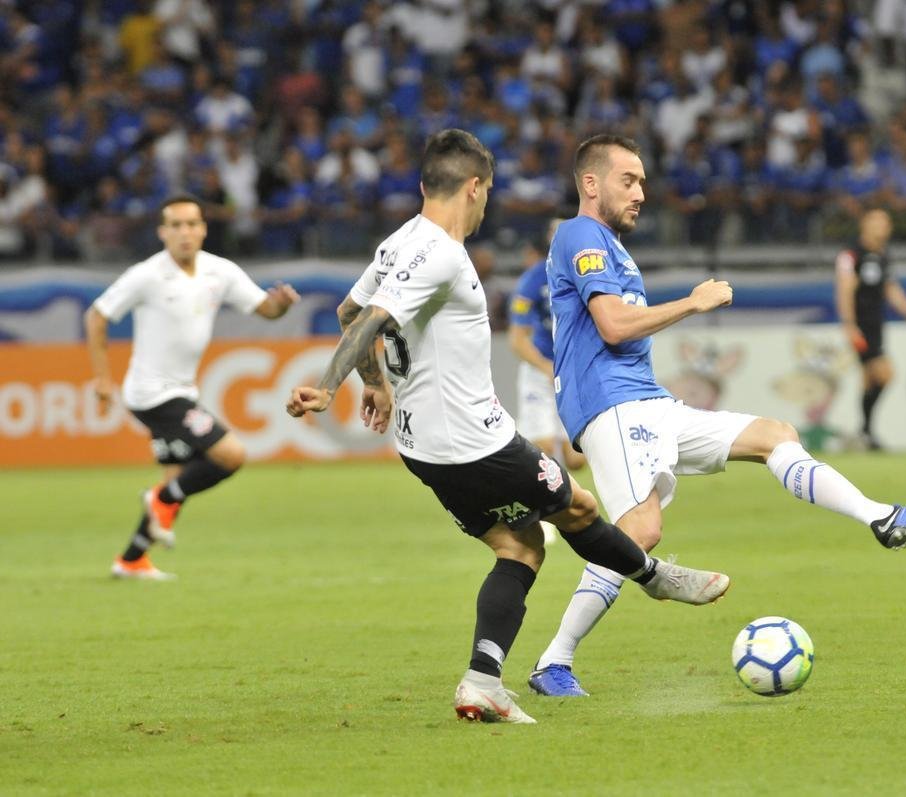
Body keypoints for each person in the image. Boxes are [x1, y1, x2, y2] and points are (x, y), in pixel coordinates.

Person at [285, 129, 729, 725]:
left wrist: (376, 384)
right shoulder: (440, 253)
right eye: (488, 192)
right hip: (475, 441)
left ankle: (482, 682)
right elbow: (371, 318)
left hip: (421, 447)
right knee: (578, 507)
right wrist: (331, 384)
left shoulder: (398, 243)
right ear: (475, 188)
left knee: (519, 546)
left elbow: (348, 310)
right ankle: (654, 576)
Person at [527, 134, 906, 698]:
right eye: (627, 181)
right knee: (641, 532)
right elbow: (612, 325)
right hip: (612, 404)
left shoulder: (609, 244)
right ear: (590, 183)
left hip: (646, 401)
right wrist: (693, 302)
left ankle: (881, 517)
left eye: (643, 182)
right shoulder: (581, 234)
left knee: (774, 435)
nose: (641, 193)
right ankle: (554, 662)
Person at [85, 195, 299, 581]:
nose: (184, 232)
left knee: (177, 479)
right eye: (176, 225)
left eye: (192, 224)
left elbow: (266, 310)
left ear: (203, 229)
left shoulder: (220, 271)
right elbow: (96, 316)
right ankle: (159, 500)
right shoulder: (147, 275)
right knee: (230, 455)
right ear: (162, 232)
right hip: (153, 394)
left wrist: (281, 304)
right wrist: (102, 378)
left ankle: (131, 560)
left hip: (183, 390)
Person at [835, 209, 906, 450]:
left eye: (886, 223)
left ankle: (864, 435)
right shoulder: (851, 254)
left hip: (876, 325)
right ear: (865, 224)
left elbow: (891, 289)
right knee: (885, 374)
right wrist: (849, 325)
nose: (884, 227)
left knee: (869, 380)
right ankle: (865, 432)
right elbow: (845, 288)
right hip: (861, 327)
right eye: (878, 222)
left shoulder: (883, 255)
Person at [507, 218, 586, 473]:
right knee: (544, 450)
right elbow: (517, 339)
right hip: (541, 371)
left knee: (576, 460)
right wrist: (545, 367)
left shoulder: (589, 272)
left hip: (573, 372)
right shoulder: (534, 278)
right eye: (555, 233)